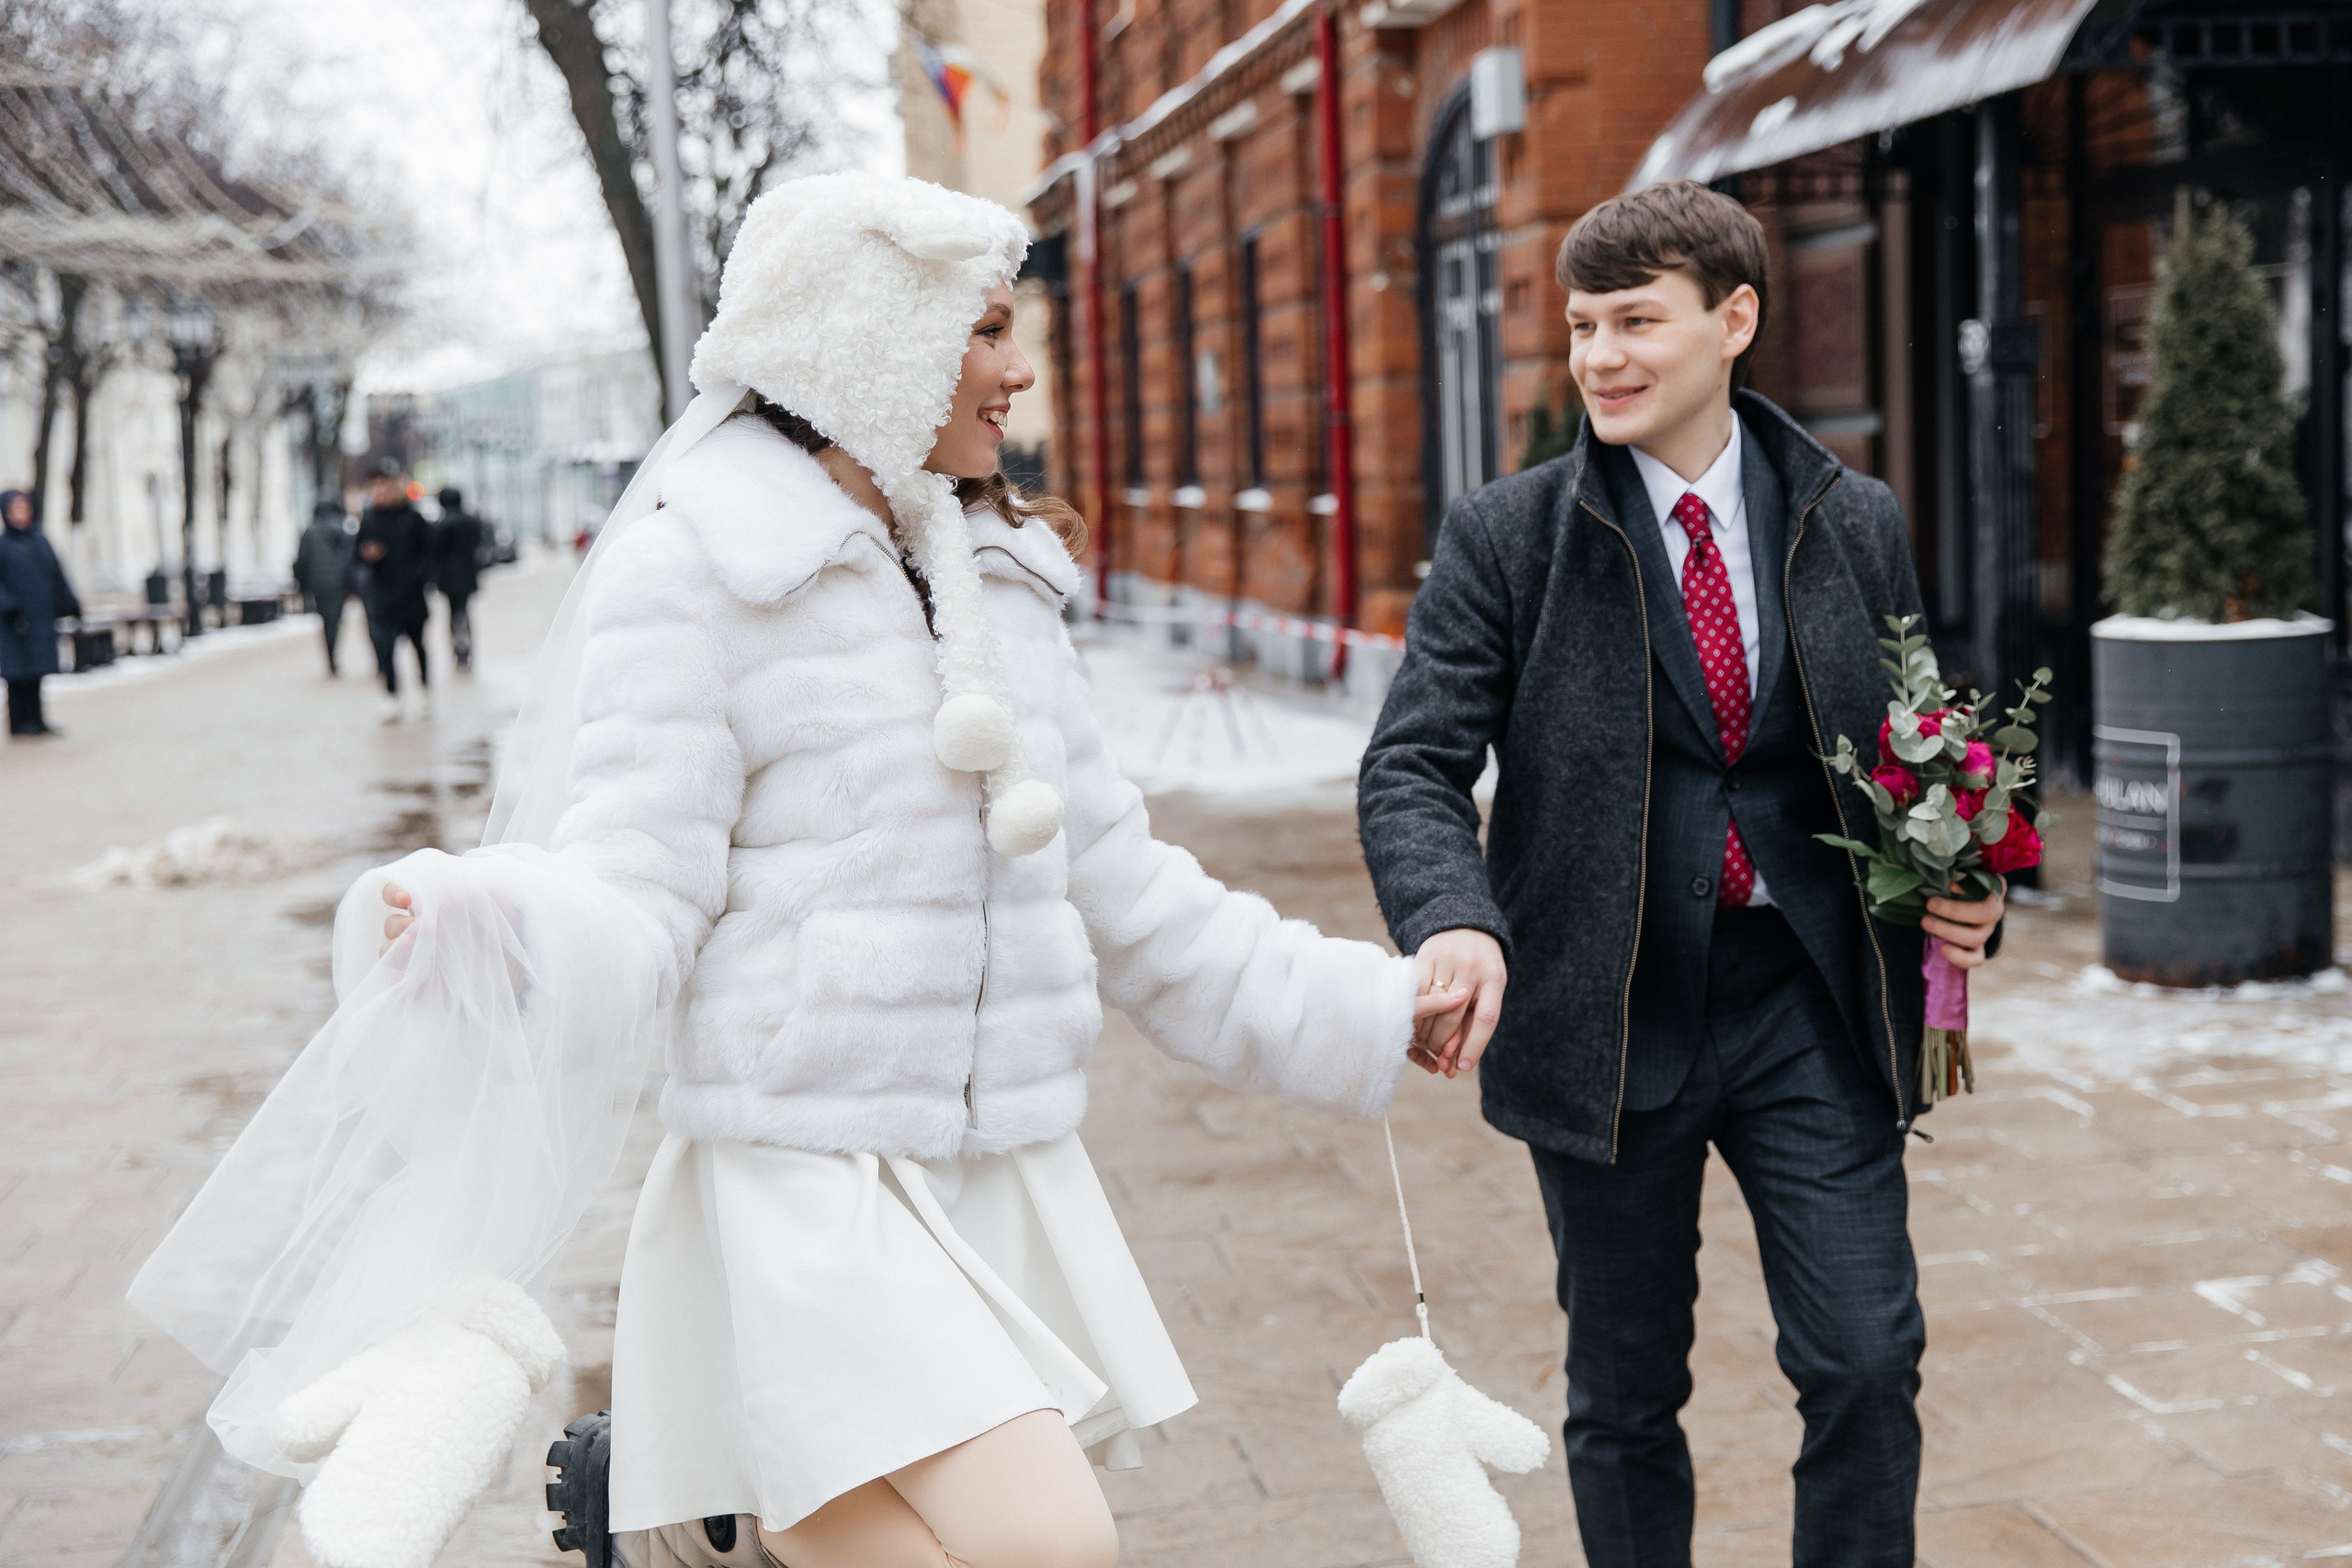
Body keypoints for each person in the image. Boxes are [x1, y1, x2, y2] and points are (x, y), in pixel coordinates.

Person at [127, 175, 1467, 1568]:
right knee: (1050, 1542)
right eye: (986, 328)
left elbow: (1129, 891)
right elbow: (635, 882)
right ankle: (705, 1501)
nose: (1019, 368)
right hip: (807, 1186)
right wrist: (498, 919)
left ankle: (687, 1513)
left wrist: (1364, 1007)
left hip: (987, 1173)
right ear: (871, 342)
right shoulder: (702, 568)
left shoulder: (999, 575)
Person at [1355, 180, 2007, 1568]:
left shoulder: (1855, 513)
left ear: (1736, 318)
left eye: (1636, 320)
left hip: (1808, 1000)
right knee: (1624, 1393)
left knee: (1863, 1357)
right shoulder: (1506, 536)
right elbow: (1411, 764)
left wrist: (1975, 878)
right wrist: (1454, 919)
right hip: (1606, 1010)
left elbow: (1923, 736)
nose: (1599, 356)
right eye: (1583, 325)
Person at [354, 463, 435, 720]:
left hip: (411, 593)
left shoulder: (411, 516)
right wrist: (367, 555)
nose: (380, 491)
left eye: (384, 485)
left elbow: (429, 551)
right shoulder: (369, 518)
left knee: (418, 644)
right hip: (383, 594)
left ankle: (424, 690)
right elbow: (357, 552)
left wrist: (419, 577)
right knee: (384, 647)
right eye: (375, 486)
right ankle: (391, 696)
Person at [0, 488, 80, 739]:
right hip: (13, 621)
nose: (20, 515)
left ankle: (37, 719)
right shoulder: (3, 546)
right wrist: (8, 606)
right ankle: (19, 723)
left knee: (36, 670)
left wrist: (70, 601)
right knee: (18, 673)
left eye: (24, 509)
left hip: (40, 617)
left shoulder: (40, 541)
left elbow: (57, 573)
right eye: (14, 510)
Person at [292, 497, 356, 677]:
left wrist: (301, 584)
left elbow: (302, 560)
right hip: (340, 583)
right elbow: (351, 558)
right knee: (335, 620)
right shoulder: (344, 529)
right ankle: (333, 656)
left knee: (326, 620)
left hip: (319, 584)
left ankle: (330, 657)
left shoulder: (310, 531)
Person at [431, 486, 485, 671]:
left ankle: (459, 648)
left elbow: (435, 552)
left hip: (449, 578)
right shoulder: (471, 522)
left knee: (454, 613)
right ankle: (465, 647)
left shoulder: (443, 524)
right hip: (468, 575)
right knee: (463, 611)